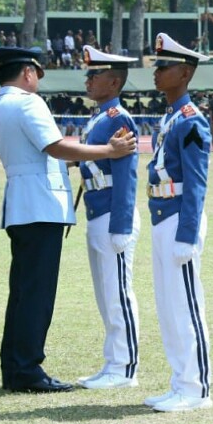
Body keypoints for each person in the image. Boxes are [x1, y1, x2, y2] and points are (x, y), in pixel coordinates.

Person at [0, 46, 135, 394]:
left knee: (23, 291)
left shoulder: (1, 106)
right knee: (37, 293)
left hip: (22, 204)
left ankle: (15, 365)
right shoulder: (27, 103)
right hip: (41, 206)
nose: (37, 79)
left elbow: (38, 155)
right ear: (27, 73)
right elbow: (55, 147)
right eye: (37, 73)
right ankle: (27, 369)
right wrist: (108, 152)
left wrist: (77, 161)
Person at [141, 33, 213, 413]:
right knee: (169, 304)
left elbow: (197, 184)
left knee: (186, 303)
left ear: (184, 72)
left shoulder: (191, 121)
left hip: (178, 218)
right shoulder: (170, 116)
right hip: (161, 214)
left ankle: (196, 386)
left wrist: (187, 234)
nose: (157, 73)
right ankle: (179, 381)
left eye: (164, 67)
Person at [75, 46, 142, 390]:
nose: (87, 80)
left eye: (94, 74)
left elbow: (127, 174)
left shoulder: (119, 119)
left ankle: (124, 366)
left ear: (113, 81)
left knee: (118, 293)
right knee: (105, 294)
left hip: (114, 214)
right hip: (97, 211)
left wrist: (121, 225)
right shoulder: (99, 117)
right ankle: (112, 362)